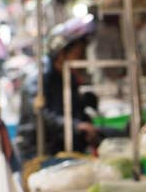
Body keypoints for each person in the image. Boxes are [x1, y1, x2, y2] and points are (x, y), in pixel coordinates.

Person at [34, 16, 100, 158]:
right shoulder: (40, 78)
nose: (82, 58)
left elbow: (76, 109)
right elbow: (41, 115)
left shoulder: (67, 76)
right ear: (62, 54)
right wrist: (76, 126)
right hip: (44, 150)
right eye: (78, 53)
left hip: (67, 143)